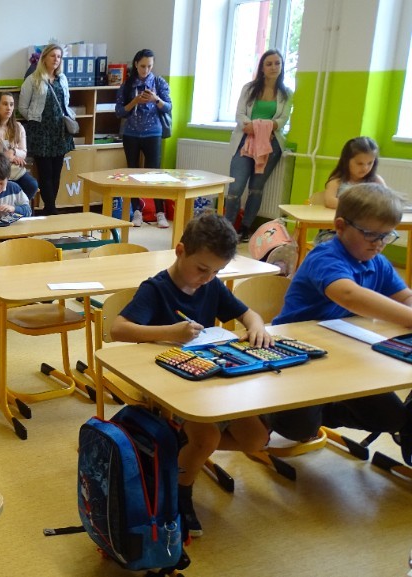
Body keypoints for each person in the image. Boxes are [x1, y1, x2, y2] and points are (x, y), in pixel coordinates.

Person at [110, 211, 273, 538]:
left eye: (216, 272)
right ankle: (181, 489)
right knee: (207, 437)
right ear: (180, 250)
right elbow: (118, 329)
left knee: (257, 439)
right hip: (167, 381)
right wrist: (170, 332)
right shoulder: (156, 289)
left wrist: (257, 327)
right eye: (202, 269)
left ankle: (180, 451)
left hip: (208, 378)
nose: (208, 278)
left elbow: (248, 314)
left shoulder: (211, 286)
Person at [269, 183, 412, 464]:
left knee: (393, 418)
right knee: (298, 430)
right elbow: (348, 295)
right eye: (370, 234)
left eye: (386, 235)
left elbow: (405, 296)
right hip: (297, 356)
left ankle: (323, 408)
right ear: (340, 226)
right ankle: (270, 412)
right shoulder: (325, 256)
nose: (378, 243)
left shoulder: (378, 262)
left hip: (344, 355)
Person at [224, 49, 293, 241]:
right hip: (244, 141)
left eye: (277, 63)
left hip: (271, 144)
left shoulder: (286, 93)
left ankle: (246, 228)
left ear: (282, 67)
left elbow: (282, 120)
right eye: (269, 64)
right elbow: (240, 115)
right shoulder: (249, 88)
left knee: (256, 188)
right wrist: (254, 127)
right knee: (235, 188)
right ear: (262, 67)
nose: (273, 67)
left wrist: (263, 128)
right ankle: (227, 228)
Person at [116, 48, 172, 228]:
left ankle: (160, 212)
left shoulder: (158, 82)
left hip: (153, 133)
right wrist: (134, 101)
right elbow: (119, 111)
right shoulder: (127, 85)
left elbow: (168, 107)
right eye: (142, 66)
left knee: (154, 173)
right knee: (132, 173)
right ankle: (137, 211)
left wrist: (156, 99)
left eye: (149, 66)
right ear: (136, 64)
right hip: (131, 133)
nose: (145, 70)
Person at [19, 43, 75, 216]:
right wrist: (36, 119)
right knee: (45, 173)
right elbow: (22, 107)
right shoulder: (33, 79)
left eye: (59, 56)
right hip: (41, 133)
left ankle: (50, 207)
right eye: (53, 56)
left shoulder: (62, 78)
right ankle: (50, 208)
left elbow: (66, 103)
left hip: (59, 132)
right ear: (44, 58)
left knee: (56, 173)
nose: (56, 59)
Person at [0, 92, 38, 203]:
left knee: (32, 185)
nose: (9, 108)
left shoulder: (18, 127)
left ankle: (17, 209)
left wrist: (13, 151)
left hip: (15, 171)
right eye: (5, 104)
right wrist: (9, 157)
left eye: (11, 104)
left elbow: (23, 152)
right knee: (4, 188)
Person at [322, 136, 385, 209]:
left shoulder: (376, 180)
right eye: (360, 163)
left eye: (370, 163)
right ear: (346, 161)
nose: (365, 168)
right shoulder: (337, 181)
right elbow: (329, 201)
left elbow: (387, 202)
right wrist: (360, 207)